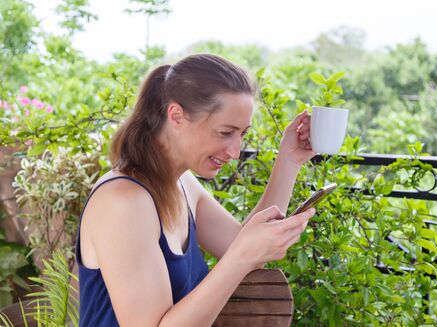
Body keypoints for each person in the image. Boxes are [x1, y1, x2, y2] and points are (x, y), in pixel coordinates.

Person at [76, 53, 316, 326]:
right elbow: (240, 254)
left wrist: (289, 160)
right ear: (176, 116)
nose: (235, 152)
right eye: (225, 132)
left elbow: (243, 248)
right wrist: (242, 255)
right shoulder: (123, 202)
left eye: (243, 134)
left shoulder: (183, 184)